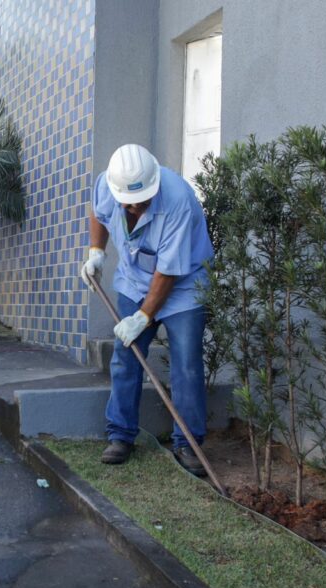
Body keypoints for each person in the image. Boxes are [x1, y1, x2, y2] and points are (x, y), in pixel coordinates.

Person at [82, 144, 214, 476]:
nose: (138, 206)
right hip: (134, 280)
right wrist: (97, 251)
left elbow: (168, 271)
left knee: (186, 364)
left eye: (144, 200)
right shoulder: (108, 184)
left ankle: (187, 442)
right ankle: (121, 435)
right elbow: (97, 212)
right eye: (131, 202)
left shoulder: (178, 201)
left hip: (183, 285)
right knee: (126, 356)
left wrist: (143, 317)